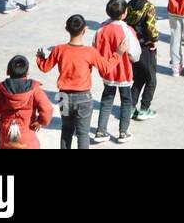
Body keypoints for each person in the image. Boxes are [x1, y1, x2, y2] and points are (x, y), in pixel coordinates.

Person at [35, 14, 124, 148]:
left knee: (66, 130)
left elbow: (45, 67)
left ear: (67, 29)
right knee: (83, 134)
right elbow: (106, 68)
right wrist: (118, 54)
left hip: (63, 97)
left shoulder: (59, 49)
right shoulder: (90, 52)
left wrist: (40, 58)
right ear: (84, 30)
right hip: (83, 98)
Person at [92, 0, 140, 144]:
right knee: (126, 101)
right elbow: (135, 53)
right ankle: (123, 132)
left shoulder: (101, 29)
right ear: (124, 13)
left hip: (107, 72)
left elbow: (94, 47)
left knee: (106, 100)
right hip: (124, 73)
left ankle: (101, 131)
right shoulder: (127, 30)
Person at [0, 54, 53, 149]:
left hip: (7, 134)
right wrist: (41, 122)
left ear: (7, 71)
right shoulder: (35, 89)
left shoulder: (0, 89)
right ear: (27, 72)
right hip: (27, 132)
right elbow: (47, 109)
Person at [126, 0, 160, 120]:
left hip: (133, 46)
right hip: (146, 46)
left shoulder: (130, 4)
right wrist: (154, 39)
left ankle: (131, 106)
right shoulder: (149, 7)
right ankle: (144, 108)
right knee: (151, 79)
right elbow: (150, 26)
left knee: (139, 77)